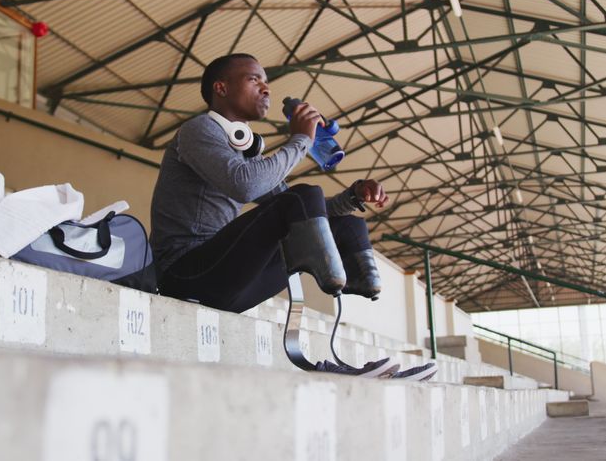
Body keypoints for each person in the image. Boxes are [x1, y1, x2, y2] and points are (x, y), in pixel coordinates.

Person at [149, 53, 436, 381]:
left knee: (343, 221)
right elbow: (246, 186)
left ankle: (356, 291)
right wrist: (301, 140)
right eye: (254, 79)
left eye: (267, 82)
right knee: (302, 194)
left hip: (224, 282)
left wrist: (353, 196)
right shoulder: (198, 130)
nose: (266, 88)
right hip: (184, 274)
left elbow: (301, 208)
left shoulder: (241, 149)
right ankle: (332, 284)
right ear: (221, 87)